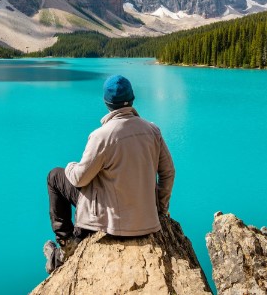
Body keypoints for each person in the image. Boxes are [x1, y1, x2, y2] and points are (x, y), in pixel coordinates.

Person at [43, 74, 175, 273]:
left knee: (55, 176)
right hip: (147, 221)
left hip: (114, 226)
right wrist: (160, 210)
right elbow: (168, 173)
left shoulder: (102, 136)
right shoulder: (152, 130)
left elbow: (79, 178)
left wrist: (71, 166)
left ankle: (66, 242)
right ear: (132, 99)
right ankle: (76, 237)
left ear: (107, 103)